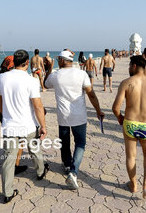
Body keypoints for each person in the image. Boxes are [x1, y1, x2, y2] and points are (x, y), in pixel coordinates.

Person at [44, 50, 105, 190]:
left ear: (61, 60)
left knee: (64, 143)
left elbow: (45, 85)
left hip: (63, 116)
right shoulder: (81, 74)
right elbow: (92, 94)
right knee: (80, 144)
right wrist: (98, 110)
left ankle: (67, 165)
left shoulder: (55, 75)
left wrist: (49, 68)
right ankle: (73, 171)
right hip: (79, 116)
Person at [0, 50, 49, 203]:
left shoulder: (1, 78)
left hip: (10, 125)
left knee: (9, 160)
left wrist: (5, 115)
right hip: (28, 125)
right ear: (26, 62)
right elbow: (38, 106)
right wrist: (43, 126)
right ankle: (40, 172)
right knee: (34, 150)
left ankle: (7, 192)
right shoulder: (31, 80)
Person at [112, 56, 146, 199]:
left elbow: (115, 108)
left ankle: (133, 184)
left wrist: (120, 118)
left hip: (130, 123)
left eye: (130, 65)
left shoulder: (126, 83)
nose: (129, 68)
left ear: (134, 66)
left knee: (131, 156)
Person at [0, 56, 28, 176]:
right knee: (20, 139)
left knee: (10, 140)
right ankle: (15, 165)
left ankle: (10, 164)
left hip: (4, 114)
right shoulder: (15, 78)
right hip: (17, 113)